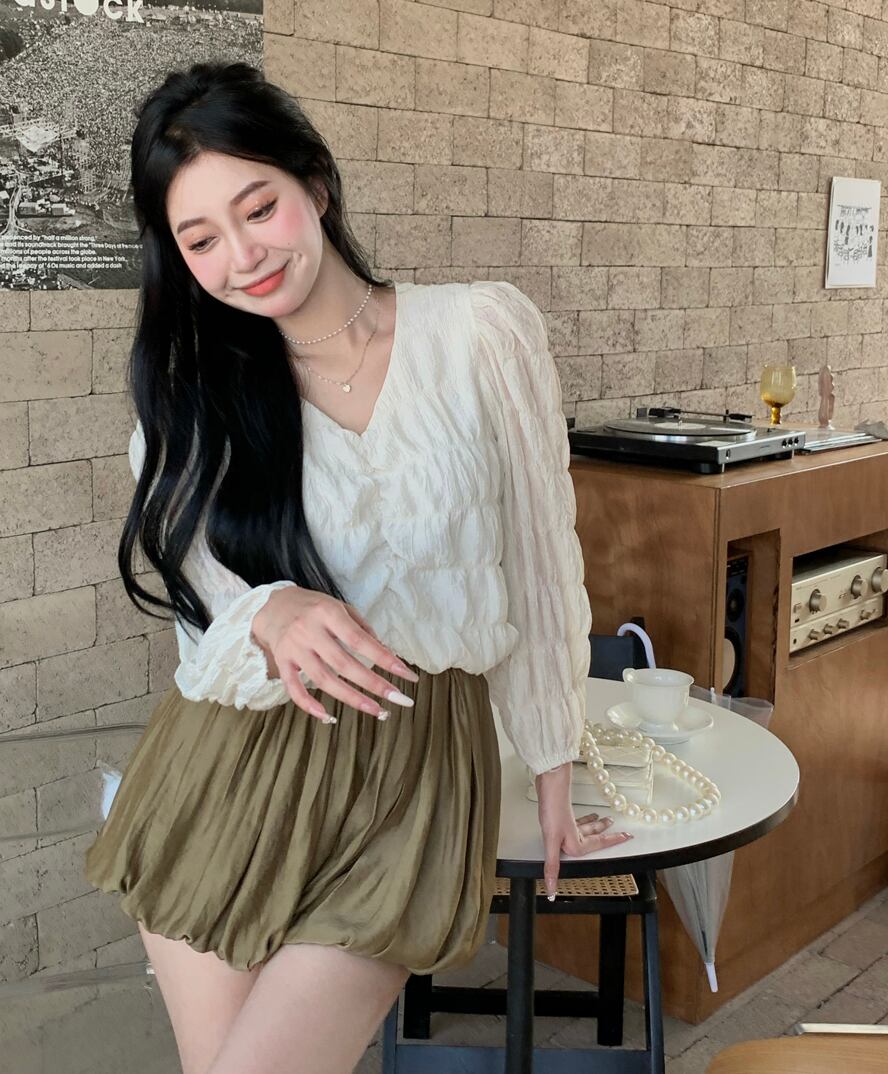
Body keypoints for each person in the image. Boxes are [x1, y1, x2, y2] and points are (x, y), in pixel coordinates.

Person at [83, 61, 633, 1074]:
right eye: (201, 239)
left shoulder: (480, 332)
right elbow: (207, 626)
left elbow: (541, 554)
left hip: (410, 770)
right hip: (231, 767)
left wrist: (552, 755)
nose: (242, 256)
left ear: (316, 185)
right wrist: (268, 611)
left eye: (259, 209)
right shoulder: (189, 401)